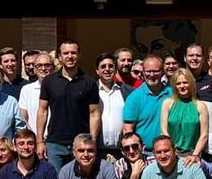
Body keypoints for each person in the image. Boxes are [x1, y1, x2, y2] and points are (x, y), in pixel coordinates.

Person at [37, 40, 101, 172]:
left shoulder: (89, 82)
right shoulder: (49, 81)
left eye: (73, 53)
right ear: (60, 57)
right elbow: (42, 111)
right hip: (54, 143)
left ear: (79, 55)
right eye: (66, 53)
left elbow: (94, 113)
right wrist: (39, 142)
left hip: (81, 143)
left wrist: (92, 141)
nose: (70, 56)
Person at [122, 55, 172, 149]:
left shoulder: (172, 93)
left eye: (155, 71)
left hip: (169, 150)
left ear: (162, 72)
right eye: (148, 71)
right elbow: (128, 129)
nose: (151, 75)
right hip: (145, 152)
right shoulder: (134, 97)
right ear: (143, 72)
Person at [160, 68, 209, 162]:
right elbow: (164, 130)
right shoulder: (167, 103)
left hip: (192, 155)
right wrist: (171, 150)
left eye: (185, 82)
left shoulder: (200, 106)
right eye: (178, 83)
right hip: (171, 154)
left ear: (191, 83)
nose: (182, 86)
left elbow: (204, 135)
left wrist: (195, 155)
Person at [94, 53, 131, 160]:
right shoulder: (91, 90)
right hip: (97, 151)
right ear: (97, 70)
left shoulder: (127, 91)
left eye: (111, 66)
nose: (107, 69)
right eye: (103, 66)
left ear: (115, 70)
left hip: (121, 152)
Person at [18, 53, 53, 144]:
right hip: (33, 142)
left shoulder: (61, 88)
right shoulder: (26, 90)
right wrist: (35, 138)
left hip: (54, 141)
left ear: (53, 68)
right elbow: (23, 117)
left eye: (47, 65)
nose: (43, 68)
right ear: (35, 69)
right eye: (39, 65)